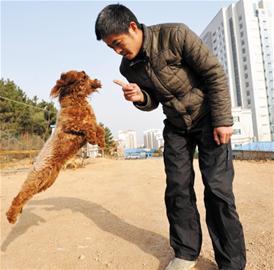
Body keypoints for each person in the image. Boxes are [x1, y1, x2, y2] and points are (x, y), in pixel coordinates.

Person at [95, 4, 246, 270]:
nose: (118, 52)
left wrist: (223, 119)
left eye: (118, 43)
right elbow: (153, 99)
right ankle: (185, 252)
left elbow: (214, 73)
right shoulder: (128, 68)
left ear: (132, 27)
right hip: (176, 127)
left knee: (218, 190)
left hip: (209, 117)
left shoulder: (176, 35)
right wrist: (140, 97)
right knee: (177, 188)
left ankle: (231, 262)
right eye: (111, 48)